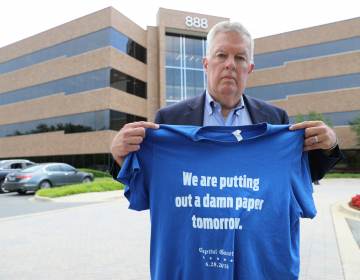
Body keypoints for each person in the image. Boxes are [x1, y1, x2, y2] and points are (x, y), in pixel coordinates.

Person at [110, 21, 342, 181]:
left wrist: (329, 146)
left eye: (240, 57)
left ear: (249, 68)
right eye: (221, 55)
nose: (230, 64)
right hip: (197, 242)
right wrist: (119, 156)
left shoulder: (275, 118)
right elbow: (149, 183)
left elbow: (302, 175)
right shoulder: (169, 119)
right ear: (206, 63)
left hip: (252, 244)